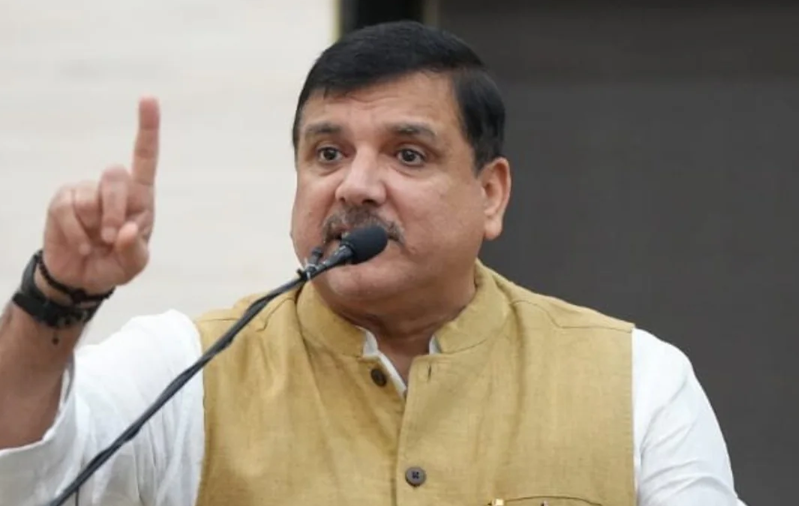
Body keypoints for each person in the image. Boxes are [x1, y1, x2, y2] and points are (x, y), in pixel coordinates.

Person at [0, 21, 745, 506]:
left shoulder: (636, 382)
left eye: (407, 155)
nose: (355, 185)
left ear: (490, 195)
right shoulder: (185, 370)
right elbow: (20, 476)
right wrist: (55, 296)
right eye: (327, 153)